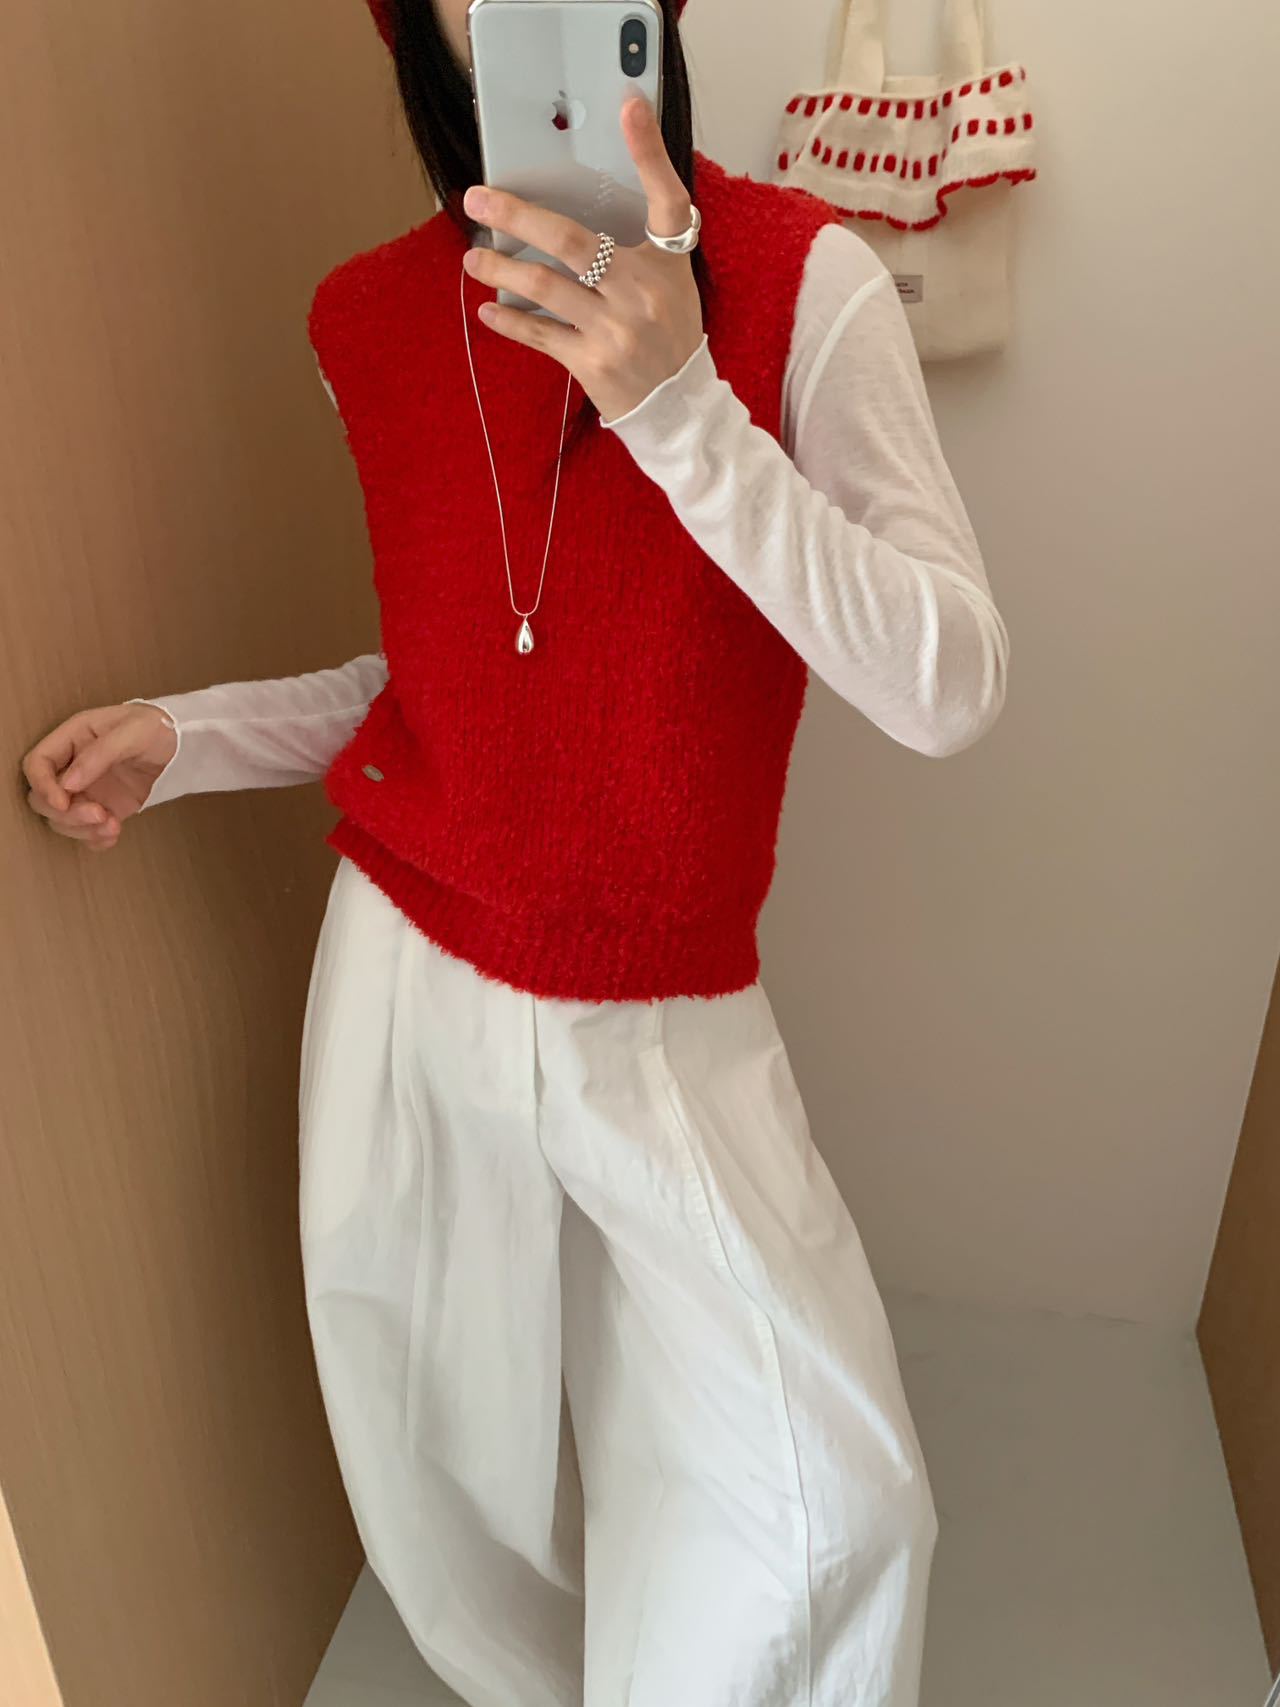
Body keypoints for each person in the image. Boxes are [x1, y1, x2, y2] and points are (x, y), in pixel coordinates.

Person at [22, 1, 1010, 1702]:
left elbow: (951, 686)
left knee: (828, 1517)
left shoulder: (806, 278)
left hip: (660, 1011)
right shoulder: (362, 319)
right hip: (408, 981)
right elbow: (455, 680)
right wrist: (191, 737)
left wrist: (682, 408)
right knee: (445, 1479)